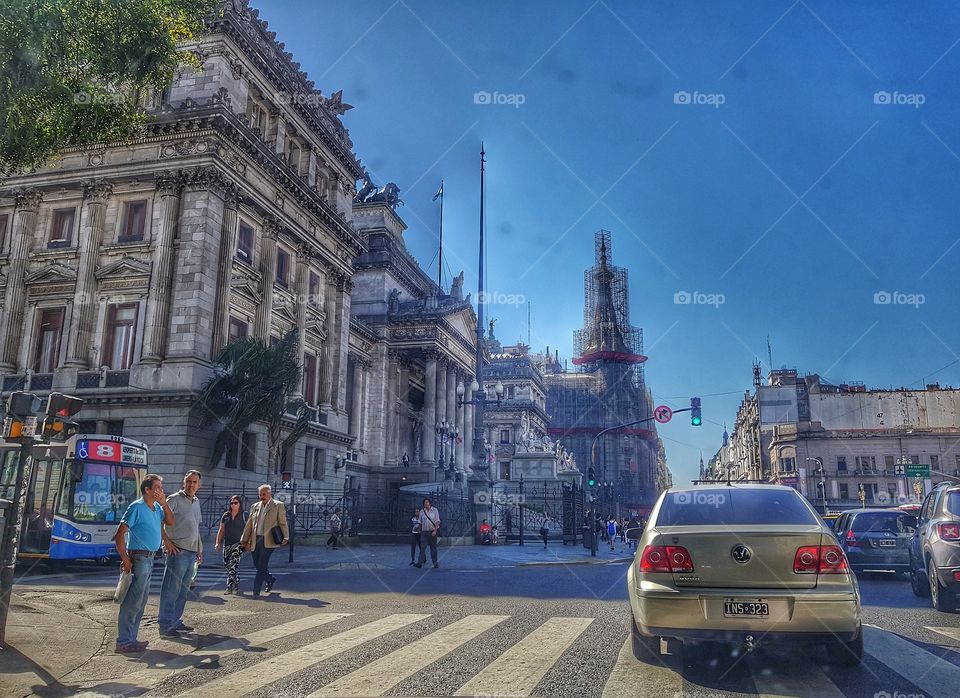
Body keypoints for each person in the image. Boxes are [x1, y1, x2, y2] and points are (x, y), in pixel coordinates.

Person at [113, 474, 174, 653]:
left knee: (140, 601)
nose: (161, 490)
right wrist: (125, 559)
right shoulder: (136, 507)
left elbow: (170, 522)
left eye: (161, 487)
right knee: (132, 601)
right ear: (147, 489)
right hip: (139, 558)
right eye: (157, 487)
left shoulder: (157, 507)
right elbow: (120, 534)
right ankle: (123, 641)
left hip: (150, 558)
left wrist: (164, 503)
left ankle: (131, 639)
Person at [158, 471, 203, 638]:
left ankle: (176, 622)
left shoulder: (196, 502)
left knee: (183, 591)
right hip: (177, 551)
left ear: (199, 485)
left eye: (195, 482)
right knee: (171, 590)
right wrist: (167, 543)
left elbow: (196, 527)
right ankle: (165, 626)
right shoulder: (174, 499)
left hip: (191, 552)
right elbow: (159, 520)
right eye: (189, 481)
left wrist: (199, 549)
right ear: (184, 482)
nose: (191, 485)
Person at [240, 485, 289, 597]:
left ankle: (256, 590)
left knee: (262, 564)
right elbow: (249, 523)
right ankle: (269, 579)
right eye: (260, 494)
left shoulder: (278, 505)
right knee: (257, 564)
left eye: (264, 494)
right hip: (255, 539)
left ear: (270, 494)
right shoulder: (255, 506)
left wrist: (286, 537)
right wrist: (244, 538)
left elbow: (283, 522)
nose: (262, 496)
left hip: (269, 540)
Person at [215, 495, 247, 594]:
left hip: (238, 544)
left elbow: (248, 529)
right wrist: (217, 543)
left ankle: (229, 587)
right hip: (227, 543)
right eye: (232, 503)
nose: (233, 505)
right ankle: (236, 580)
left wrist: (248, 542)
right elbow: (221, 530)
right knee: (227, 564)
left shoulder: (244, 515)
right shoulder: (226, 515)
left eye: (235, 503)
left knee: (233, 564)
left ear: (240, 504)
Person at [415, 497, 440, 568]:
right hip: (424, 532)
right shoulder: (422, 511)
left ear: (430, 503)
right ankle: (419, 563)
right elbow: (420, 522)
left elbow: (437, 521)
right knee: (422, 548)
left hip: (432, 532)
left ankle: (435, 563)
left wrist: (435, 531)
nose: (426, 504)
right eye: (424, 503)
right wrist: (419, 531)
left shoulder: (435, 510)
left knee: (433, 548)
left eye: (427, 502)